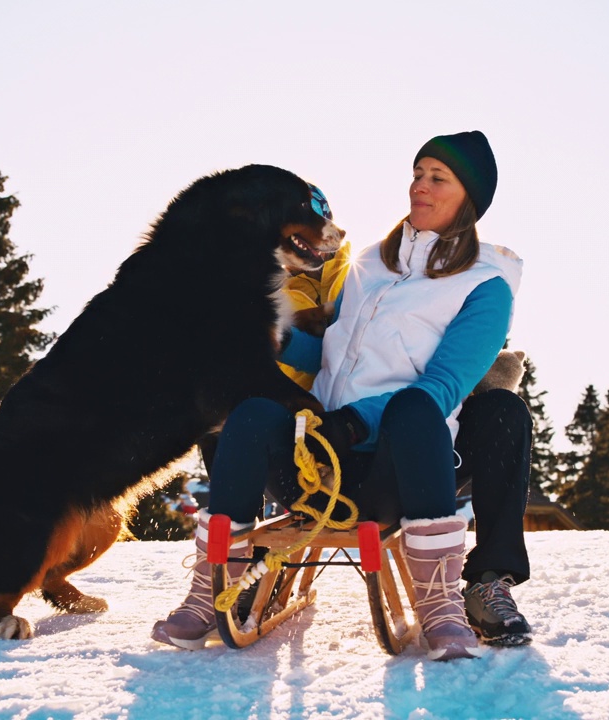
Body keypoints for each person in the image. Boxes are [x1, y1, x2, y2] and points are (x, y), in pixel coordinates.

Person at [152, 131, 532, 660]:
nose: (419, 186)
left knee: (420, 407)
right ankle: (209, 589)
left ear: (468, 197)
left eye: (437, 178)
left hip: (399, 468)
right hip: (317, 463)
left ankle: (443, 602)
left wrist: (353, 422)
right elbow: (327, 350)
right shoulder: (372, 264)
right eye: (417, 173)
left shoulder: (486, 282)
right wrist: (266, 332)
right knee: (253, 413)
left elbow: (444, 386)